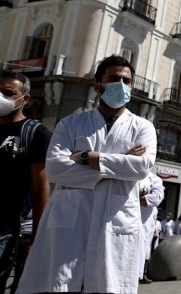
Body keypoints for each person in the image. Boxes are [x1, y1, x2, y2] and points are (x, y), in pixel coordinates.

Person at [17, 55, 156, 294]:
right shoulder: (71, 123)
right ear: (98, 86)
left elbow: (142, 168)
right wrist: (118, 167)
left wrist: (86, 157)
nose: (121, 85)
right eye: (113, 79)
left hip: (115, 223)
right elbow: (55, 169)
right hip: (70, 222)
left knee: (107, 286)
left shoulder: (143, 127)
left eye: (126, 80)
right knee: (59, 284)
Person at [0, 71, 50, 292]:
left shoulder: (35, 133)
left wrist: (36, 241)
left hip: (10, 230)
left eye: (8, 93)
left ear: (25, 99)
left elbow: (41, 189)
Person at [138, 172, 164, 284]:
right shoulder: (126, 174)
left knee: (144, 252)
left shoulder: (154, 179)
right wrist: (144, 192)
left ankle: (143, 274)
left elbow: (155, 199)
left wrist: (137, 194)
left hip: (143, 228)